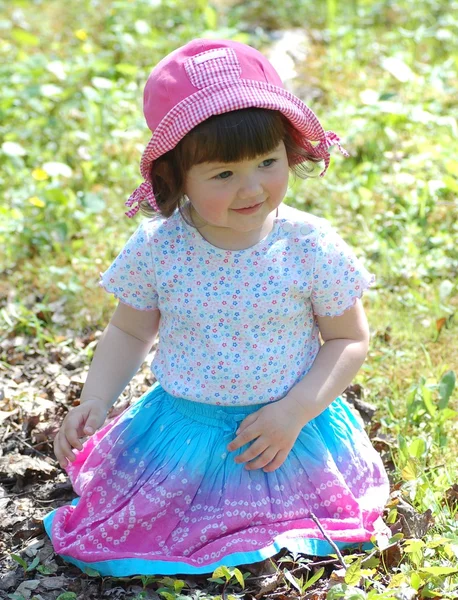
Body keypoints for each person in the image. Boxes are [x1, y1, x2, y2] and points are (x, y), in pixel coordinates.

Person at [44, 38, 390, 577]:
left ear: (289, 153)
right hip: (186, 433)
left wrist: (296, 410)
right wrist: (95, 399)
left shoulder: (309, 244)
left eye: (268, 162)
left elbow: (348, 339)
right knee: (152, 528)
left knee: (297, 525)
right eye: (223, 174)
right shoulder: (161, 247)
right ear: (175, 177)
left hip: (291, 431)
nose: (252, 187)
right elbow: (130, 331)